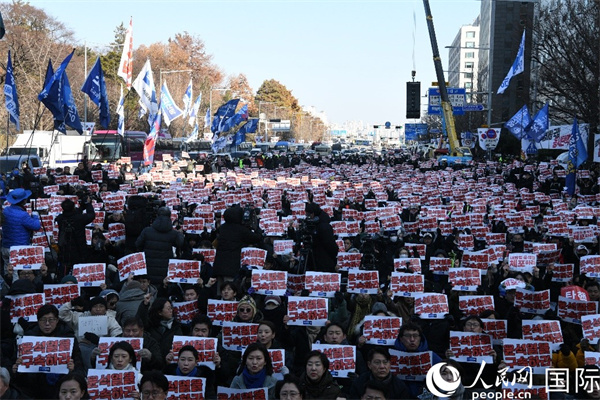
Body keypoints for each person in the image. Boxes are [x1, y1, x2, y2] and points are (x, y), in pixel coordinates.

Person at [12, 305, 84, 399]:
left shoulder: (68, 338)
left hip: (62, 387)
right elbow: (17, 371)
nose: (47, 323)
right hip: (34, 388)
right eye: (43, 320)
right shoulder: (28, 338)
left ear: (57, 320)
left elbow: (80, 366)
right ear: (38, 321)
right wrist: (16, 369)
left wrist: (73, 369)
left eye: (51, 319)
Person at [212, 205, 262, 288]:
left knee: (221, 291)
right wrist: (256, 226)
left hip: (219, 265)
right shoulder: (241, 230)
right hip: (232, 267)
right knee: (229, 289)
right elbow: (256, 238)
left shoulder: (223, 228)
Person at [135, 207, 184, 285]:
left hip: (148, 266)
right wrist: (180, 234)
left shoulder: (147, 231)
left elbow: (137, 245)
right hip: (165, 268)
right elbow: (180, 244)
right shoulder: (173, 233)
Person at [393, 322, 442, 398]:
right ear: (401, 338)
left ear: (420, 338)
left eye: (415, 336)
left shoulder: (432, 357)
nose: (412, 339)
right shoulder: (391, 356)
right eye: (407, 336)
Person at [1, 188, 40, 277]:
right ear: (24, 201)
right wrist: (35, 216)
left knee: (8, 274)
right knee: (17, 276)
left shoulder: (6, 210)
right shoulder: (23, 215)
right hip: (17, 250)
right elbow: (36, 226)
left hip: (5, 246)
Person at [55, 195, 96, 277]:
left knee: (65, 272)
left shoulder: (60, 218)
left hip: (65, 250)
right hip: (79, 250)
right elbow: (91, 215)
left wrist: (82, 206)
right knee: (79, 272)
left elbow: (72, 213)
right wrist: (87, 203)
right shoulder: (79, 218)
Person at [304, 202, 338, 273]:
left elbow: (330, 245)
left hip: (325, 262)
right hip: (316, 259)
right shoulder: (312, 225)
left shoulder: (323, 226)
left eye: (308, 214)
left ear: (313, 214)